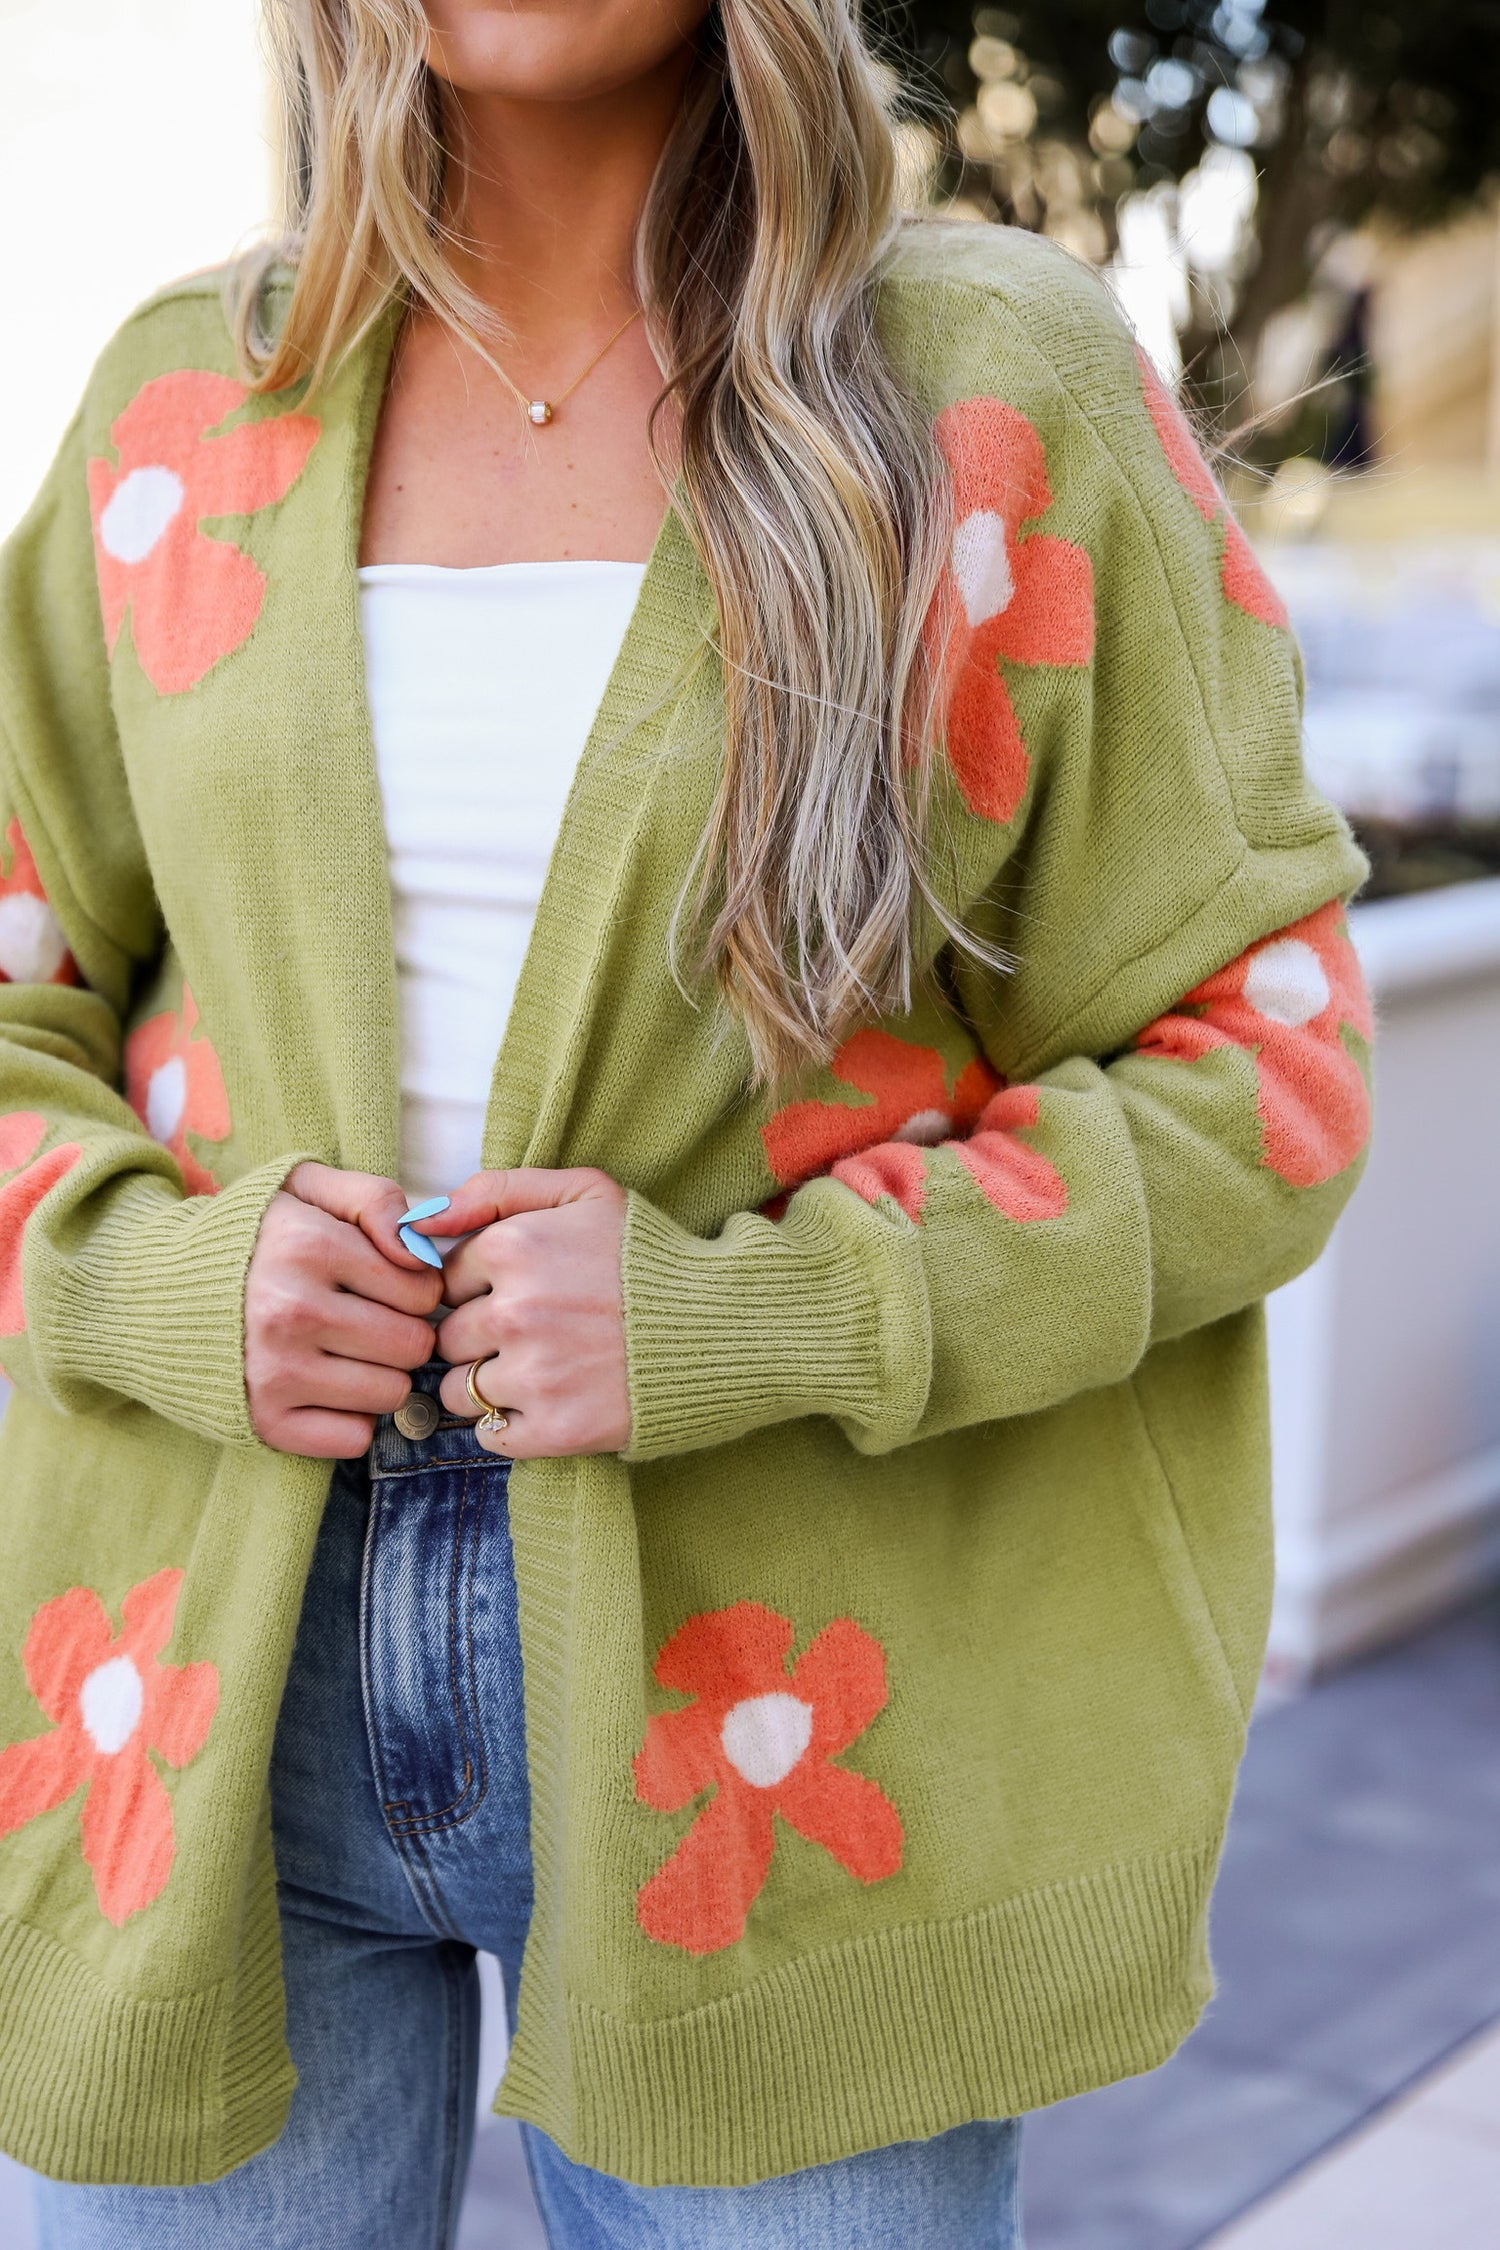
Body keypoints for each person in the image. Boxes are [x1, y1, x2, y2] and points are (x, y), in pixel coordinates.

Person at [0, 1, 1372, 2243]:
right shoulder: (187, 396)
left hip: (792, 1715)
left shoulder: (984, 386)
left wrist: (769, 1316)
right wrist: (156, 1276)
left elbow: (1274, 1063)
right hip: (194, 1696)